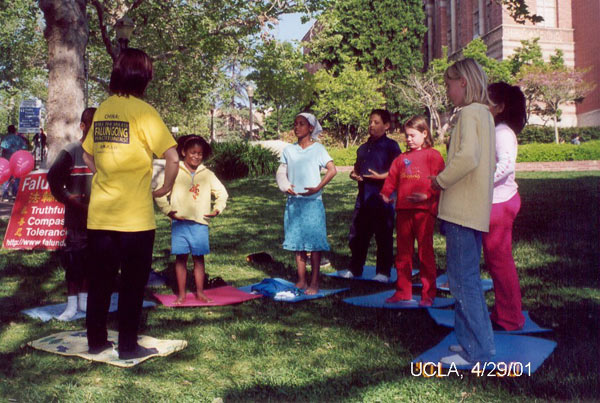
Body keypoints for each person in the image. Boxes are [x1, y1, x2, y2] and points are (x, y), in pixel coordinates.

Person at [82, 48, 179, 360]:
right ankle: (127, 346)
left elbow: (87, 154)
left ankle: (96, 341)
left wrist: (104, 174)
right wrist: (165, 187)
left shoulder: (103, 109)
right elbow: (172, 157)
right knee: (132, 284)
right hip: (135, 218)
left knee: (100, 282)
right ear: (142, 77)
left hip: (100, 214)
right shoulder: (144, 112)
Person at [430, 58, 496, 366]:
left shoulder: (469, 113)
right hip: (473, 211)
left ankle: (477, 352)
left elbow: (468, 157)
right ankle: (472, 341)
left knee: (462, 282)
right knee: (465, 279)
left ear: (464, 82)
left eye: (449, 84)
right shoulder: (484, 114)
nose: (447, 91)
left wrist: (440, 180)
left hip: (461, 211)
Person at [155, 135, 228, 304]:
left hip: (200, 224)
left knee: (198, 259)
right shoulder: (174, 171)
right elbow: (159, 193)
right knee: (181, 258)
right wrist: (168, 211)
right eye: (192, 152)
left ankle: (200, 292)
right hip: (180, 223)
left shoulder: (207, 174)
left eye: (199, 153)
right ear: (183, 152)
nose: (196, 156)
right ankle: (181, 294)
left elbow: (222, 193)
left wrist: (217, 209)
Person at [380, 116, 445, 306]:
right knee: (403, 254)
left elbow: (441, 180)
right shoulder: (401, 158)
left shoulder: (433, 156)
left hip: (424, 211)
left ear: (424, 134)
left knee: (425, 253)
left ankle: (428, 294)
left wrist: (427, 195)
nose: (408, 139)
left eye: (412, 135)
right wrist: (385, 193)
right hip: (403, 211)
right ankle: (403, 291)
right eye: (406, 135)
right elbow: (392, 178)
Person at [276, 113, 337, 295]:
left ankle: (315, 282)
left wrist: (318, 187)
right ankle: (302, 280)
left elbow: (332, 170)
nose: (297, 127)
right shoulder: (289, 150)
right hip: (294, 203)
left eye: (301, 124)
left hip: (312, 203)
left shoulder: (318, 149)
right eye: (295, 124)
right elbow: (281, 172)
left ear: (311, 128)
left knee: (314, 244)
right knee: (298, 243)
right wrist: (285, 186)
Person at [338, 109, 401, 282]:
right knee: (358, 234)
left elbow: (398, 171)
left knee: (383, 235)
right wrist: (354, 175)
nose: (371, 125)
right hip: (364, 198)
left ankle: (383, 272)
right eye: (370, 122)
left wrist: (381, 177)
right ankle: (355, 268)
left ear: (386, 126)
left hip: (383, 198)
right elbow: (356, 169)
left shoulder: (391, 146)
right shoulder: (363, 148)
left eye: (376, 122)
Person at [484, 82, 527, 331]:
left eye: (486, 101)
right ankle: (504, 312)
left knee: (500, 262)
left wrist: (481, 183)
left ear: (500, 107)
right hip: (496, 201)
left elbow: (506, 165)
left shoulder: (502, 132)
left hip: (499, 203)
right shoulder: (496, 130)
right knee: (496, 261)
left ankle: (510, 318)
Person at [47, 108, 96, 320]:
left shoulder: (106, 152)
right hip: (76, 219)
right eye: (92, 125)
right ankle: (71, 304)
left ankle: (84, 299)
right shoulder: (72, 151)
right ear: (83, 126)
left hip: (101, 219)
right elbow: (53, 177)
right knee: (74, 260)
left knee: (92, 260)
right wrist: (68, 197)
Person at [1, 125, 28, 200]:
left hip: (7, 159)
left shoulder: (6, 139)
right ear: (14, 130)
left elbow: (3, 148)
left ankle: (5, 194)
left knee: (6, 177)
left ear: (8, 130)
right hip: (16, 160)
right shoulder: (18, 139)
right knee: (16, 176)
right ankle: (15, 193)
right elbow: (24, 147)